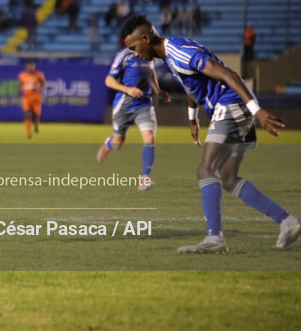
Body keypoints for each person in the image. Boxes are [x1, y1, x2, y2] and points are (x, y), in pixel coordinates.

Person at [120, 15, 299, 253]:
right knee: (227, 177)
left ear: (145, 38)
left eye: (133, 47)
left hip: (232, 105)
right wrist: (192, 117)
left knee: (206, 169)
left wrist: (258, 111)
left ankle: (214, 239)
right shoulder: (172, 54)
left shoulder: (180, 52)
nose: (134, 54)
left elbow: (227, 74)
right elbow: (193, 85)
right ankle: (288, 222)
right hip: (237, 107)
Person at [96, 43, 170, 191]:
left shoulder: (150, 54)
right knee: (118, 143)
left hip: (144, 104)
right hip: (123, 106)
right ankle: (108, 144)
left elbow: (151, 72)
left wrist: (158, 90)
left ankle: (144, 178)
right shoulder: (124, 55)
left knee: (149, 137)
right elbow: (109, 80)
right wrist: (128, 89)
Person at [18, 60, 46, 138]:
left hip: (36, 98)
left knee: (36, 116)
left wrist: (39, 89)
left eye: (32, 66)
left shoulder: (39, 75)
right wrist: (19, 90)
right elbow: (21, 85)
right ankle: (29, 133)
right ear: (26, 66)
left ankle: (36, 126)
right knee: (27, 114)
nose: (31, 67)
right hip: (26, 98)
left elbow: (44, 85)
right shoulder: (22, 75)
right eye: (29, 66)